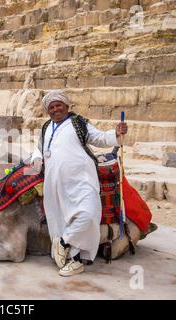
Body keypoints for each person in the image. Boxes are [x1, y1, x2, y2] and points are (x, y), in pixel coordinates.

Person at [31, 90, 128, 277]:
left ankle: (63, 243)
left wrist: (115, 133)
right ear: (47, 111)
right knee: (60, 219)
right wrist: (36, 158)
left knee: (87, 214)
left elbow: (98, 137)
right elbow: (39, 149)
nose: (55, 109)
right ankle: (74, 261)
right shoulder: (46, 128)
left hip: (82, 181)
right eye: (51, 107)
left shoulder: (78, 123)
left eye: (59, 105)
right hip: (55, 185)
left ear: (67, 106)